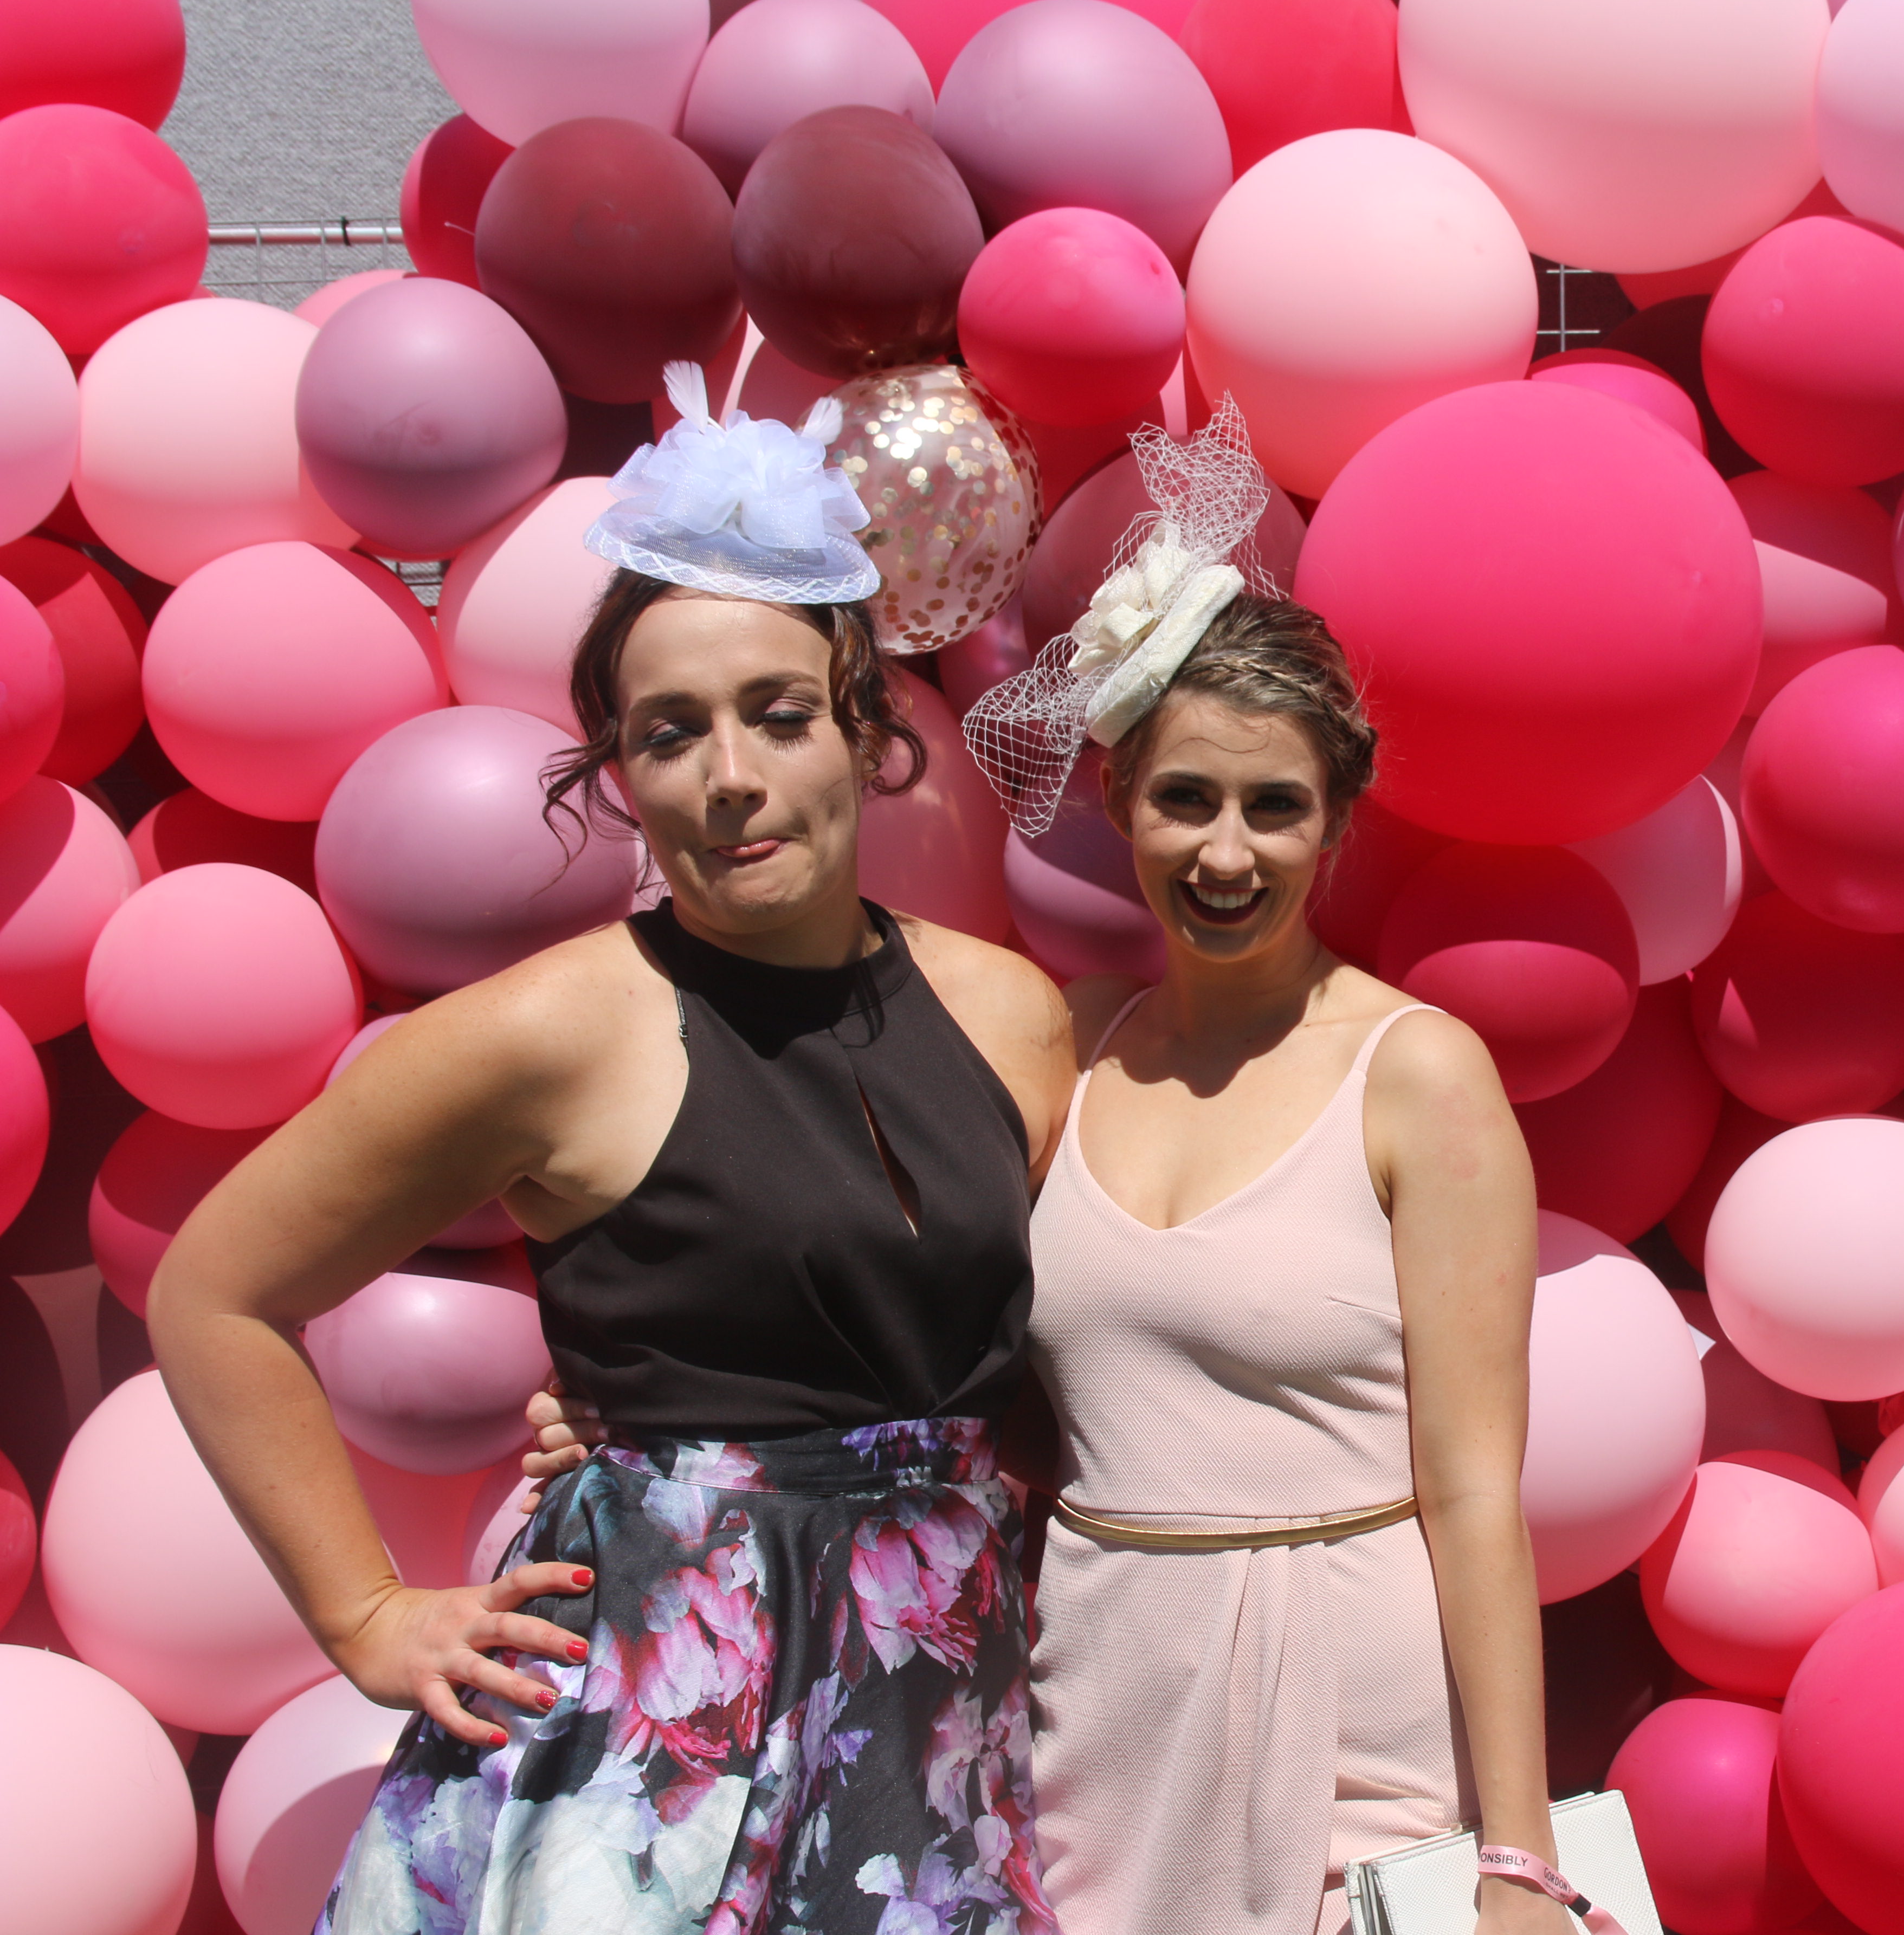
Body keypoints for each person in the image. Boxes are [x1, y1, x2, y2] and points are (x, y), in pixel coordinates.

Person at [539, 407, 1585, 1934]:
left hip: (1350, 1698)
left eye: (1276, 808)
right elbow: (933, 1331)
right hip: (1091, 1685)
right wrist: (647, 1417)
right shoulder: (1066, 1045)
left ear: (1336, 825)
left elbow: (1477, 1490)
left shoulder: (1419, 1075)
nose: (1225, 852)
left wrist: (1518, 1852)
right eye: (1186, 799)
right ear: (1117, 801)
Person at [147, 369, 1072, 1935]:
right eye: (670, 733)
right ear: (622, 775)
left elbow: (1036, 1358)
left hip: (928, 1723)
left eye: (780, 714)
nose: (730, 774)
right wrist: (367, 1613)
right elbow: (215, 1295)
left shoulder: (1013, 1015)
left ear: (864, 732)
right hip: (647, 1747)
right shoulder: (543, 1033)